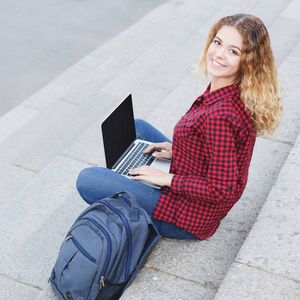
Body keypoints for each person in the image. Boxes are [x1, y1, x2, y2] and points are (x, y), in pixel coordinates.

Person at [76, 13, 282, 240]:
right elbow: (218, 151)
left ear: (248, 61)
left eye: (233, 51)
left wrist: (166, 179)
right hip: (194, 180)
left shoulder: (220, 116)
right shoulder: (229, 88)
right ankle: (130, 173)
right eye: (218, 42)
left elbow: (222, 189)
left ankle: (131, 183)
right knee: (137, 127)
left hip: (189, 218)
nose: (219, 54)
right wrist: (178, 153)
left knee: (87, 179)